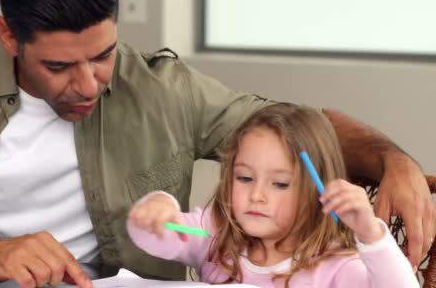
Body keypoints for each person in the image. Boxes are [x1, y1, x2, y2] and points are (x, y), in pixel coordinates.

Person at [0, 0, 433, 287]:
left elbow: (286, 125)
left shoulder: (160, 87)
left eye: (102, 55)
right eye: (58, 66)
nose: (89, 84)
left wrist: (392, 159)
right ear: (7, 36)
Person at [127, 103, 419, 287]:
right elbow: (154, 235)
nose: (257, 195)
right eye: (244, 178)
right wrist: (157, 209)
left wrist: (370, 234)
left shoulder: (336, 267)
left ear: (317, 191)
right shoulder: (214, 234)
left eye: (279, 184)